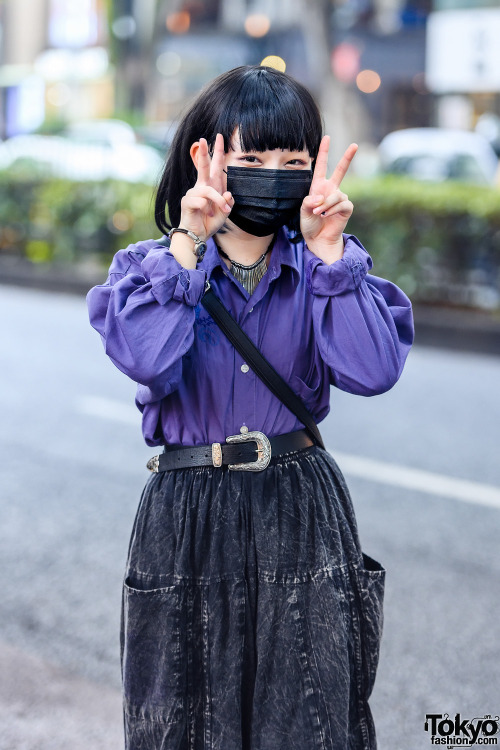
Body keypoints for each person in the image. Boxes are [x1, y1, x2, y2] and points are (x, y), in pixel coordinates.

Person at [87, 64, 413, 750]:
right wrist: (189, 241)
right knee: (179, 717)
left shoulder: (328, 269)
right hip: (185, 513)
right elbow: (145, 357)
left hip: (298, 505)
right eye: (252, 158)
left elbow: (375, 370)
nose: (274, 173)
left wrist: (329, 258)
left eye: (293, 160)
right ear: (203, 158)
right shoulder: (151, 270)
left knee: (309, 716)